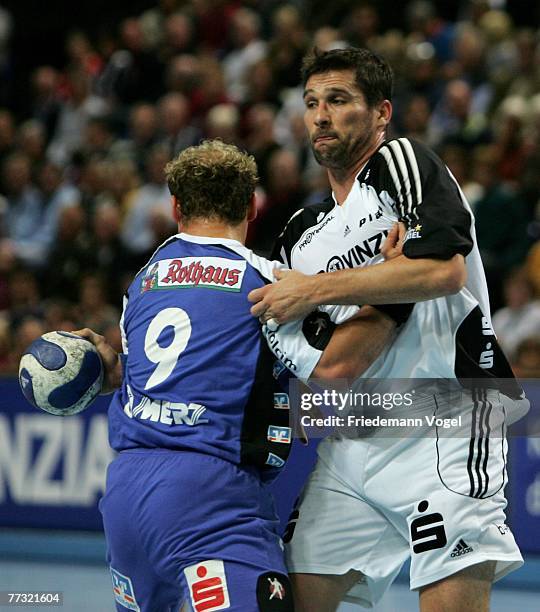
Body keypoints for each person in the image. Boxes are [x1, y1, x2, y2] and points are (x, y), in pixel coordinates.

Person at [248, 47, 529, 612]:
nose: (321, 115)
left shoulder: (401, 163)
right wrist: (382, 277)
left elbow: (444, 271)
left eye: (339, 100)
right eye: (311, 103)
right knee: (293, 599)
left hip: (446, 422)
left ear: (381, 112)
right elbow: (322, 361)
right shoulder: (300, 233)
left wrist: (317, 290)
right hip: (354, 441)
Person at [75, 139, 400, 612]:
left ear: (176, 207)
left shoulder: (142, 280)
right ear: (252, 206)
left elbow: (177, 367)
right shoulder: (268, 281)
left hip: (125, 492)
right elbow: (336, 367)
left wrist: (108, 369)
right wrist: (394, 292)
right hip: (210, 498)